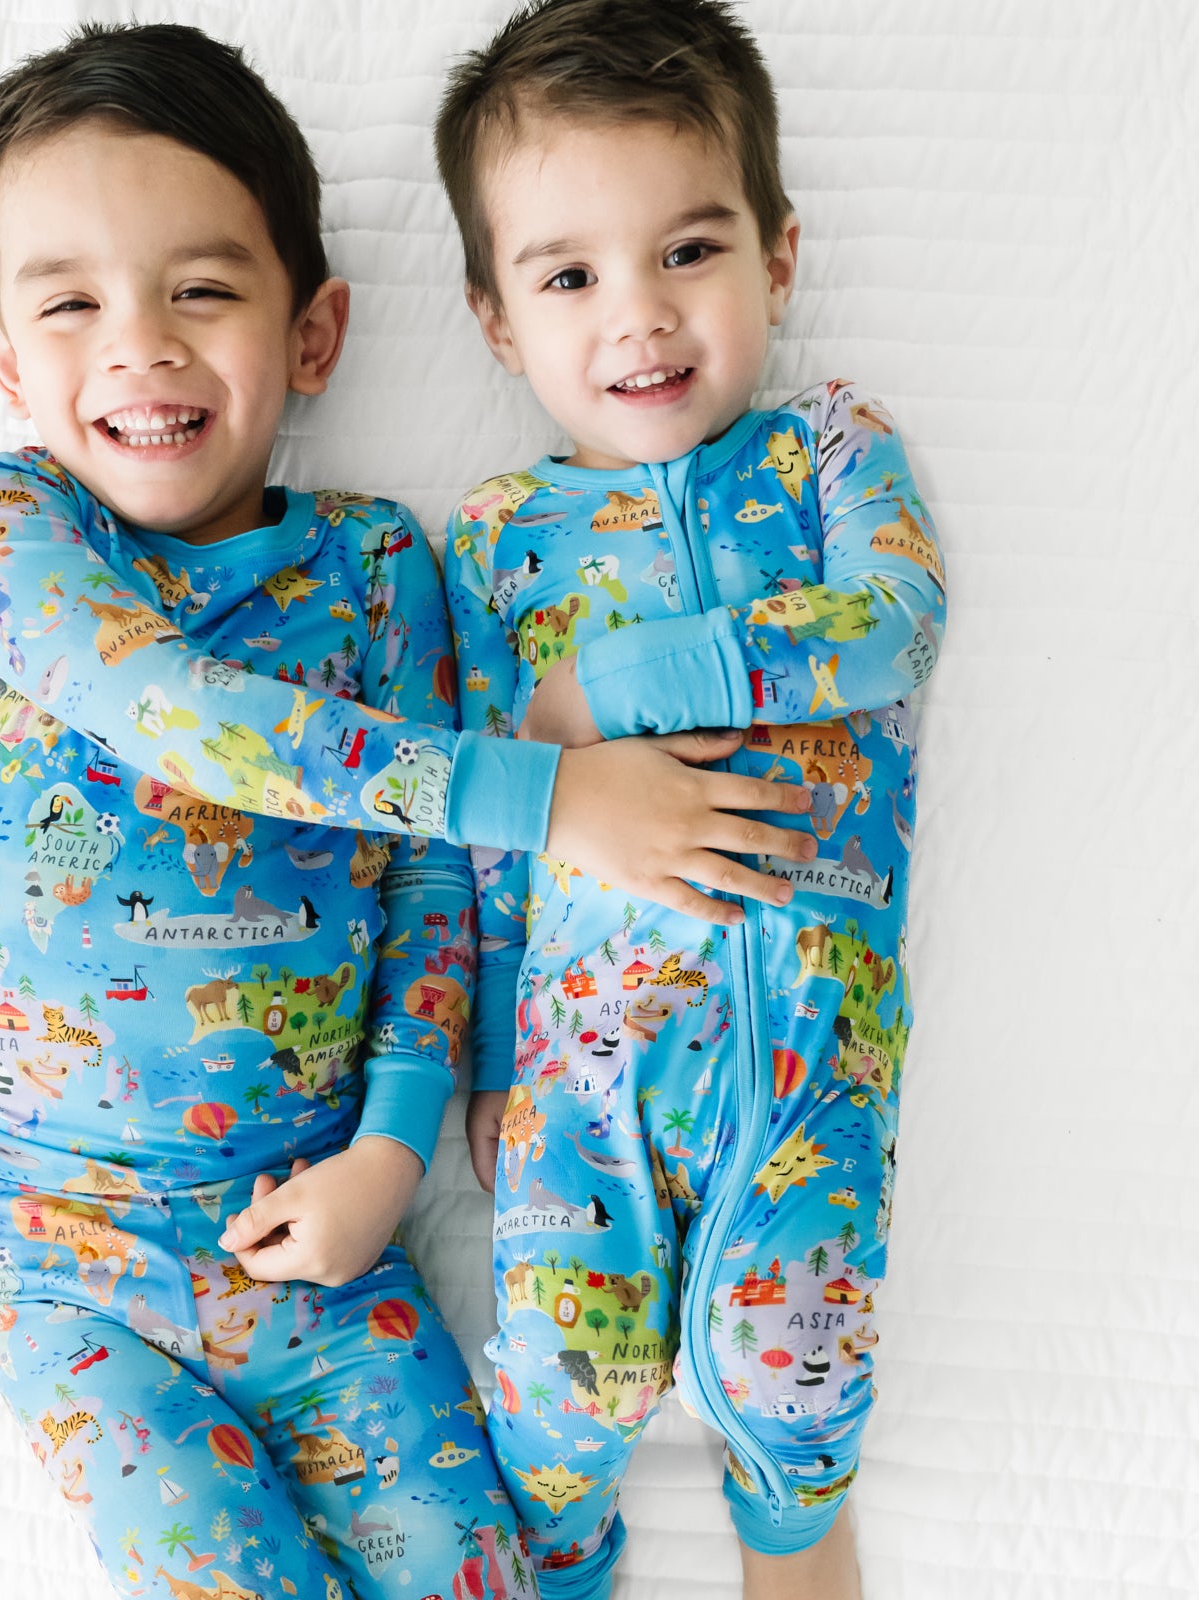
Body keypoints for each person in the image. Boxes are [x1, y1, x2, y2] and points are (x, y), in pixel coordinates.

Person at [0, 22, 810, 1598]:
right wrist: (554, 796)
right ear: (4, 360)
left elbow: (428, 893)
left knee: (496, 1570)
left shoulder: (378, 566)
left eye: (202, 290)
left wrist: (393, 1153)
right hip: (68, 1266)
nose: (139, 348)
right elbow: (191, 719)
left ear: (314, 333)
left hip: (319, 1242)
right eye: (71, 305)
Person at [433, 3, 947, 1596]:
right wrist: (491, 1047)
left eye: (691, 251)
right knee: (558, 1387)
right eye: (570, 278)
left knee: (796, 1379)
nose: (640, 316)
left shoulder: (830, 451)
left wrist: (618, 686)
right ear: (496, 323)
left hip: (816, 1039)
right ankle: (565, 1556)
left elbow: (893, 623)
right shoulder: (496, 541)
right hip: (582, 1055)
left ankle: (797, 1541)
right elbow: (492, 826)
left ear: (778, 259)